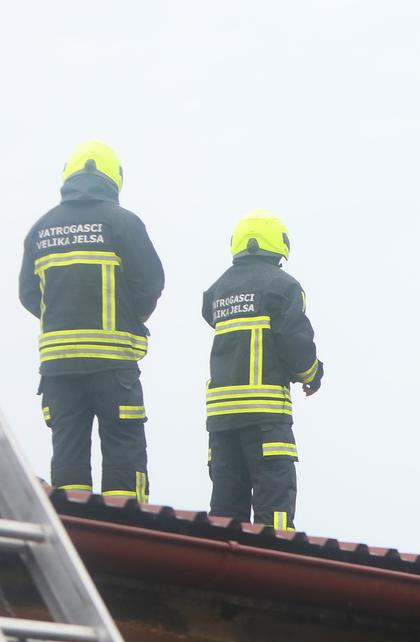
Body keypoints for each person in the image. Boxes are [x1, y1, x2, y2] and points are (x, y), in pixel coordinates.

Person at [18, 140, 164, 501]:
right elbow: (151, 283)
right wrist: (131, 318)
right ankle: (126, 529)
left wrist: (62, 318)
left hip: (58, 367)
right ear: (114, 178)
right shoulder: (123, 223)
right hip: (113, 364)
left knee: (68, 452)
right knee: (123, 448)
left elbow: (27, 293)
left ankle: (76, 529)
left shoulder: (41, 228)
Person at [200, 211, 323, 530]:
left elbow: (208, 316)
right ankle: (273, 569)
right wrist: (312, 374)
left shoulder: (217, 291)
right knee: (274, 505)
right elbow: (295, 341)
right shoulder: (283, 286)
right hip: (265, 417)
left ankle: (225, 571)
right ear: (278, 244)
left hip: (222, 420)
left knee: (226, 508)